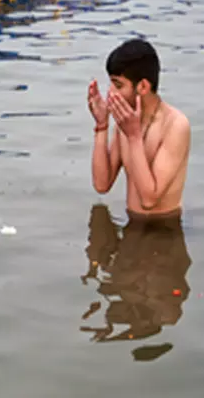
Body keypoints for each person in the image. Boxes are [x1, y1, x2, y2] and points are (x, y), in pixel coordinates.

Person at [88, 38, 191, 217]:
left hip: (165, 230)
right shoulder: (125, 123)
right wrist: (102, 125)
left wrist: (134, 137)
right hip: (132, 225)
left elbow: (149, 200)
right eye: (111, 83)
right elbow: (101, 185)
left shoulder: (175, 125)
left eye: (118, 85)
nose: (111, 92)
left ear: (143, 86)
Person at [80, 203, 192, 361]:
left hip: (146, 229)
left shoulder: (130, 285)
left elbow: (101, 199)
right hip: (159, 227)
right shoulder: (157, 296)